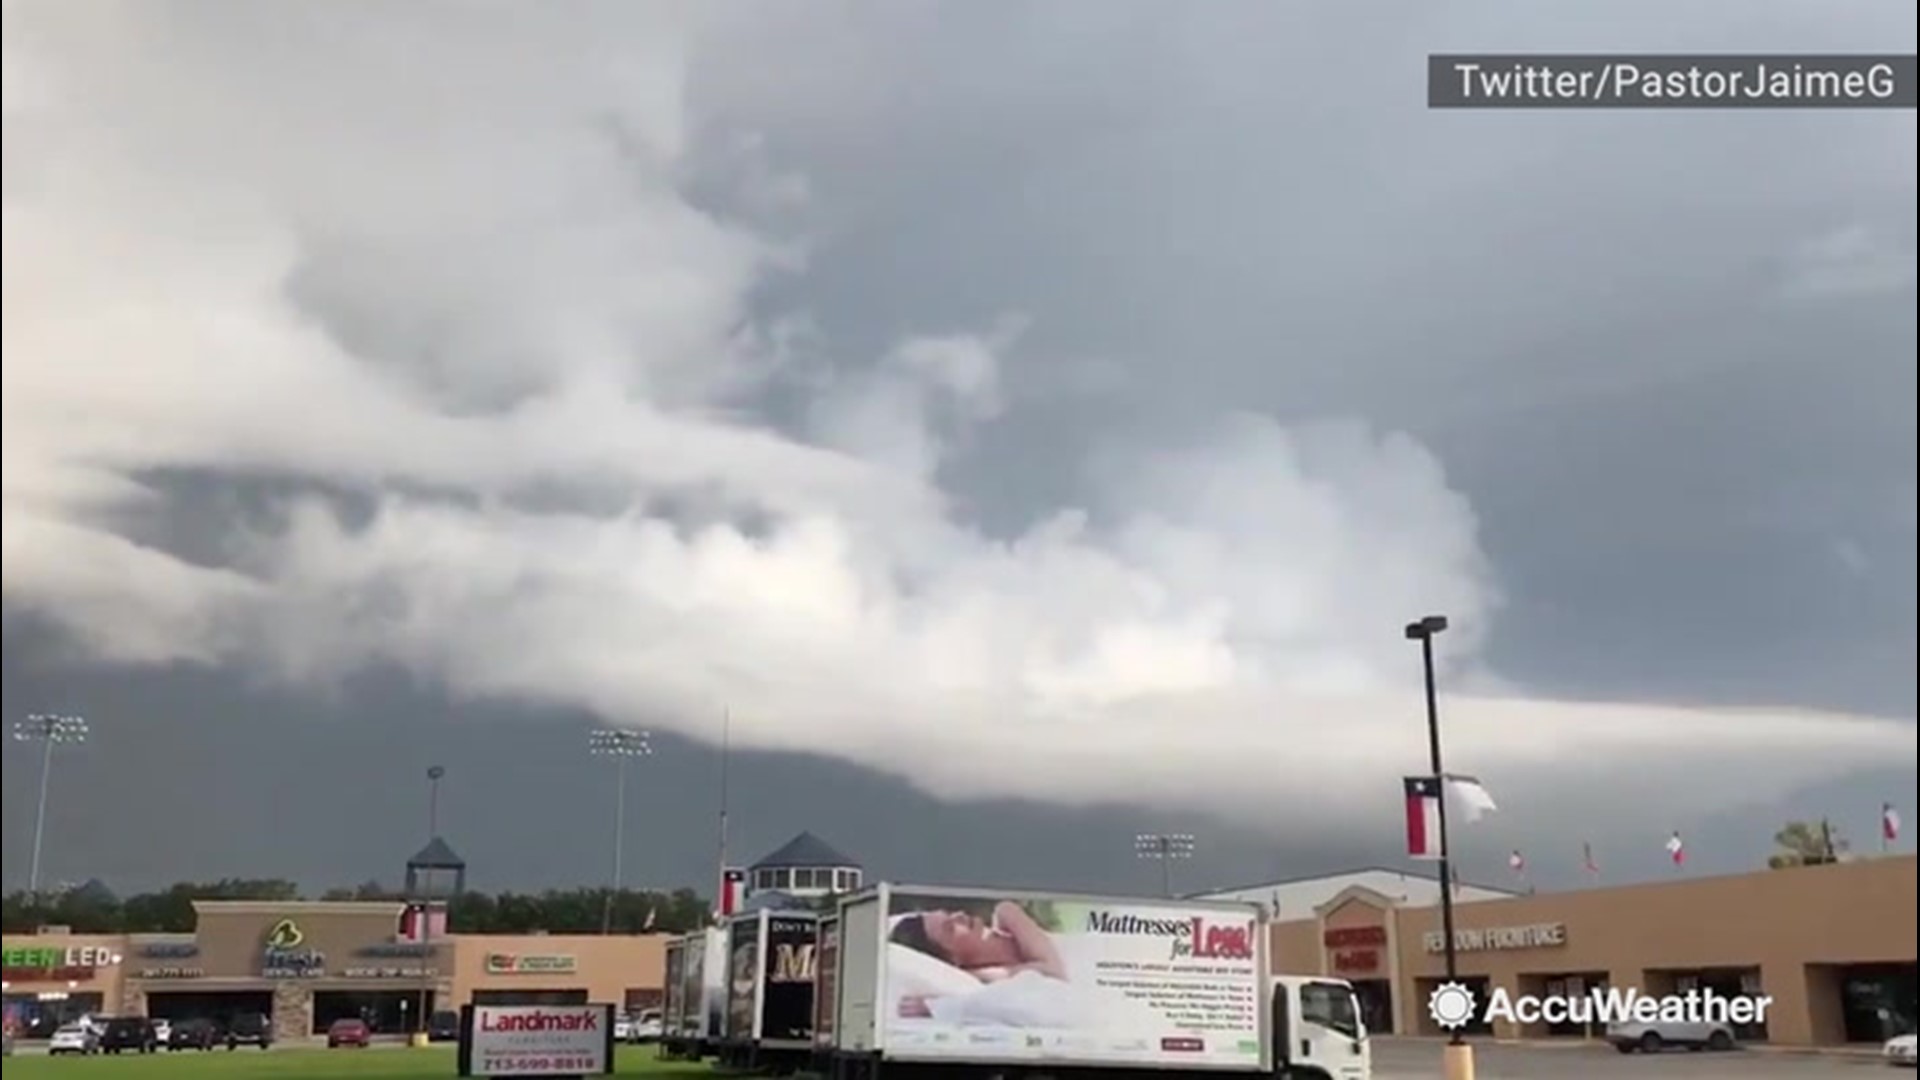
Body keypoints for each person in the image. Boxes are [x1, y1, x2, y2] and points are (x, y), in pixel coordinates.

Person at [889, 900, 1069, 1018]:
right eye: (950, 927)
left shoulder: (1006, 913)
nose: (959, 915)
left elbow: (1055, 973)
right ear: (952, 959)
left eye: (949, 912)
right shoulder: (980, 979)